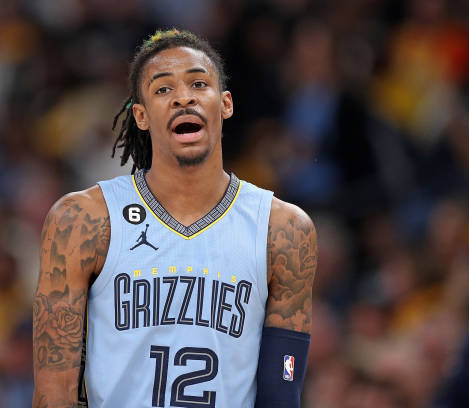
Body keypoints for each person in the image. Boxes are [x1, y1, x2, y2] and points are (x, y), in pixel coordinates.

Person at [33, 29, 317, 408]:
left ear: (225, 104)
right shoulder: (83, 219)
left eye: (198, 83)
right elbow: (54, 393)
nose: (184, 97)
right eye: (163, 89)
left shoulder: (283, 230)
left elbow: (282, 388)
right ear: (141, 116)